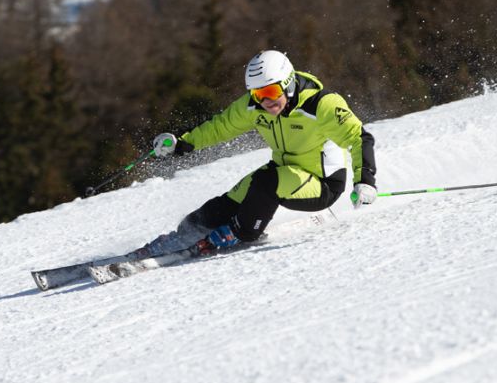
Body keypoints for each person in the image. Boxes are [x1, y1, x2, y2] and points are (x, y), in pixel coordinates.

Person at [144, 50, 377, 254]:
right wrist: (181, 141)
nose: (266, 101)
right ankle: (185, 233)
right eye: (257, 94)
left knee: (265, 184)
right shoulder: (254, 107)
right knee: (223, 206)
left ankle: (241, 232)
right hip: (281, 173)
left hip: (322, 184)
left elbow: (358, 137)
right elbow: (220, 126)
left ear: (288, 83)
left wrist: (364, 180)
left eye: (271, 91)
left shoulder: (321, 105)